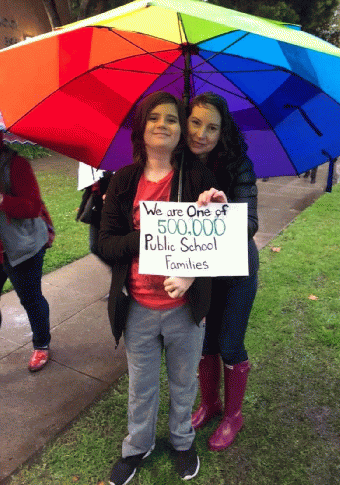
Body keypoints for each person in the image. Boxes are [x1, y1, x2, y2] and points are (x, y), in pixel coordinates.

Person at [98, 91, 218, 484]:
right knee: (141, 386)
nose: (163, 125)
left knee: (184, 383)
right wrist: (145, 236)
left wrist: (214, 208)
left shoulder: (197, 177)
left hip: (185, 309)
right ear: (142, 126)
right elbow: (106, 243)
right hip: (138, 308)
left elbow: (216, 243)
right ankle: (138, 446)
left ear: (181, 129)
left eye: (171, 119)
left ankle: (182, 442)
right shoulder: (123, 180)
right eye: (154, 118)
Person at [187, 92, 259, 451]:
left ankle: (233, 414)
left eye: (212, 127)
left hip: (237, 269)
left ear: (222, 132)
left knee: (230, 342)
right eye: (195, 122)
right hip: (201, 270)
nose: (202, 133)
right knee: (205, 341)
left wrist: (224, 208)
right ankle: (210, 403)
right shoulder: (178, 163)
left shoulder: (238, 165)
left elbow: (250, 223)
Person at [0, 131, 51, 372]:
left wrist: (2, 199)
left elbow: (32, 207)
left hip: (23, 247)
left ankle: (42, 344)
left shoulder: (16, 165)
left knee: (30, 299)